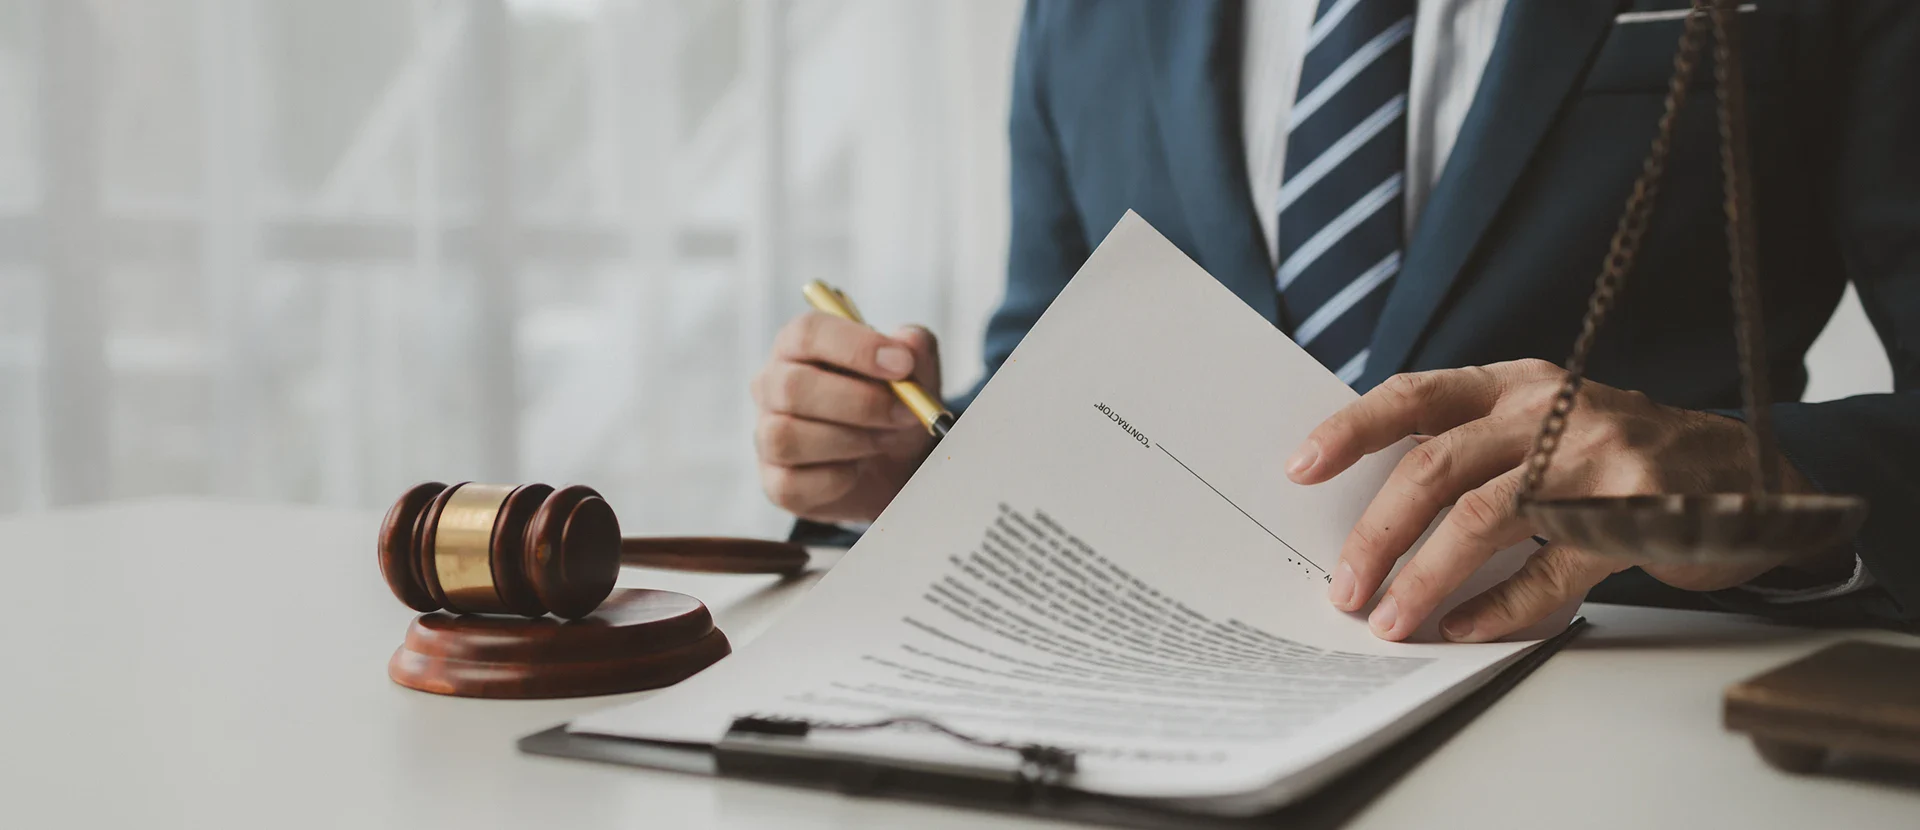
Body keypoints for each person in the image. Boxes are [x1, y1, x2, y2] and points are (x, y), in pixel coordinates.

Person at [750, 0, 1920, 639]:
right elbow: (1050, 385)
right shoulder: (1081, 16)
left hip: (1625, 697)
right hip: (1157, 712)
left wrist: (1765, 475)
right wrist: (921, 470)